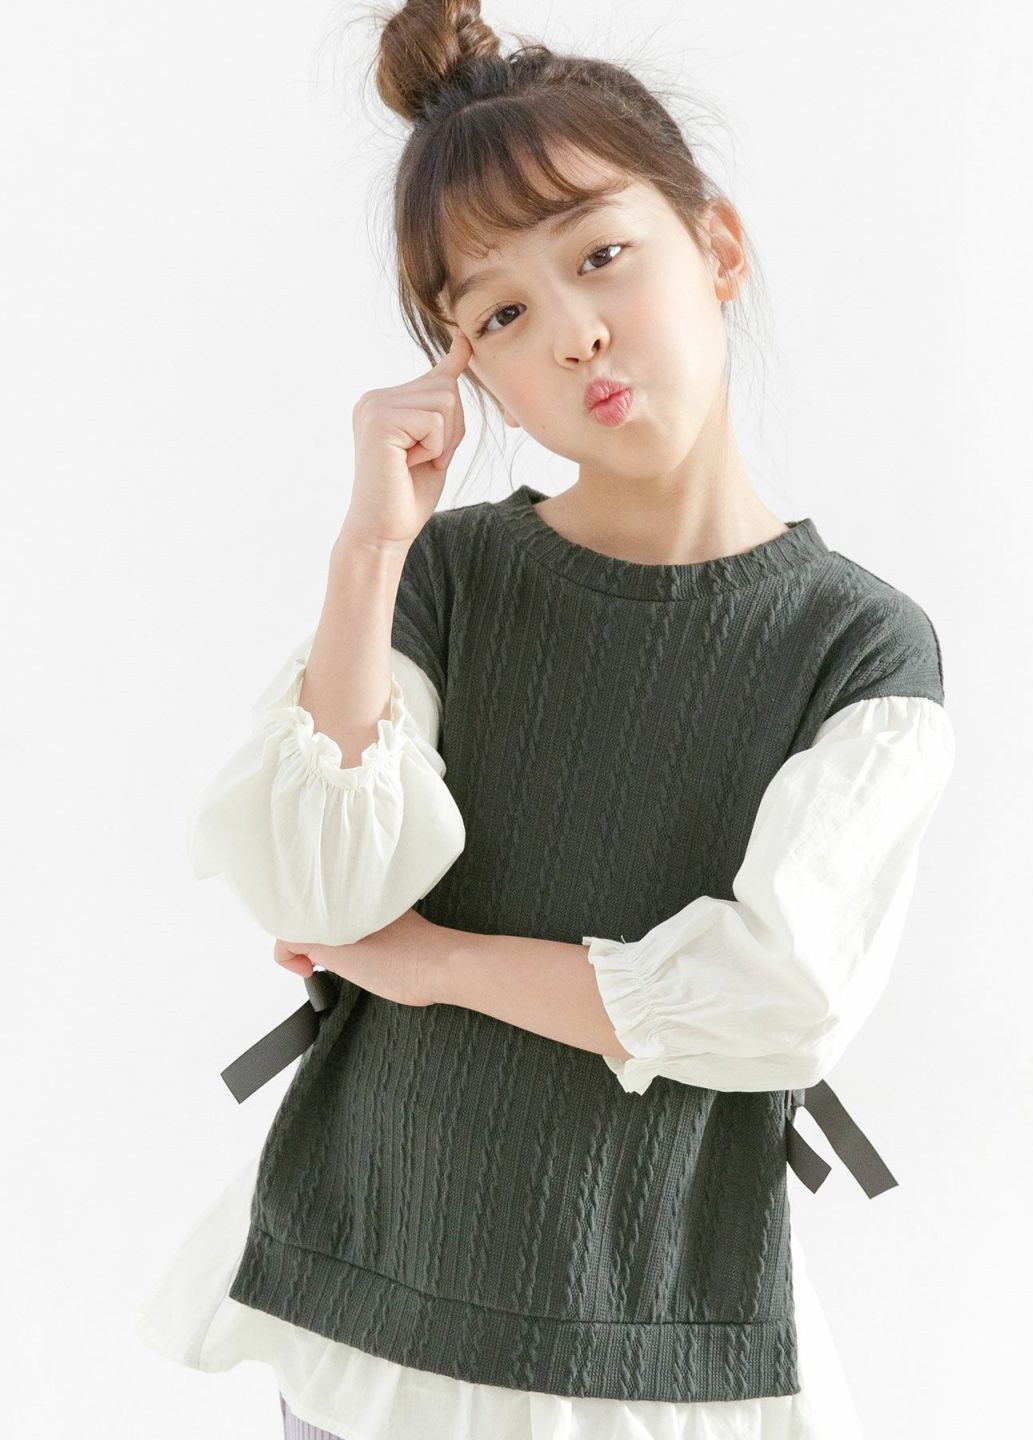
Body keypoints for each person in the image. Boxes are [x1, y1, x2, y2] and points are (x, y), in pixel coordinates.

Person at [133, 3, 957, 1437]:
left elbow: (781, 1001)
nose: (575, 334)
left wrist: (431, 962)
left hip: (641, 1335)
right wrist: (369, 548)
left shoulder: (856, 645)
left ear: (717, 246)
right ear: (470, 372)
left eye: (600, 255)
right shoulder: (446, 576)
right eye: (500, 315)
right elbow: (322, 886)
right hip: (375, 1309)